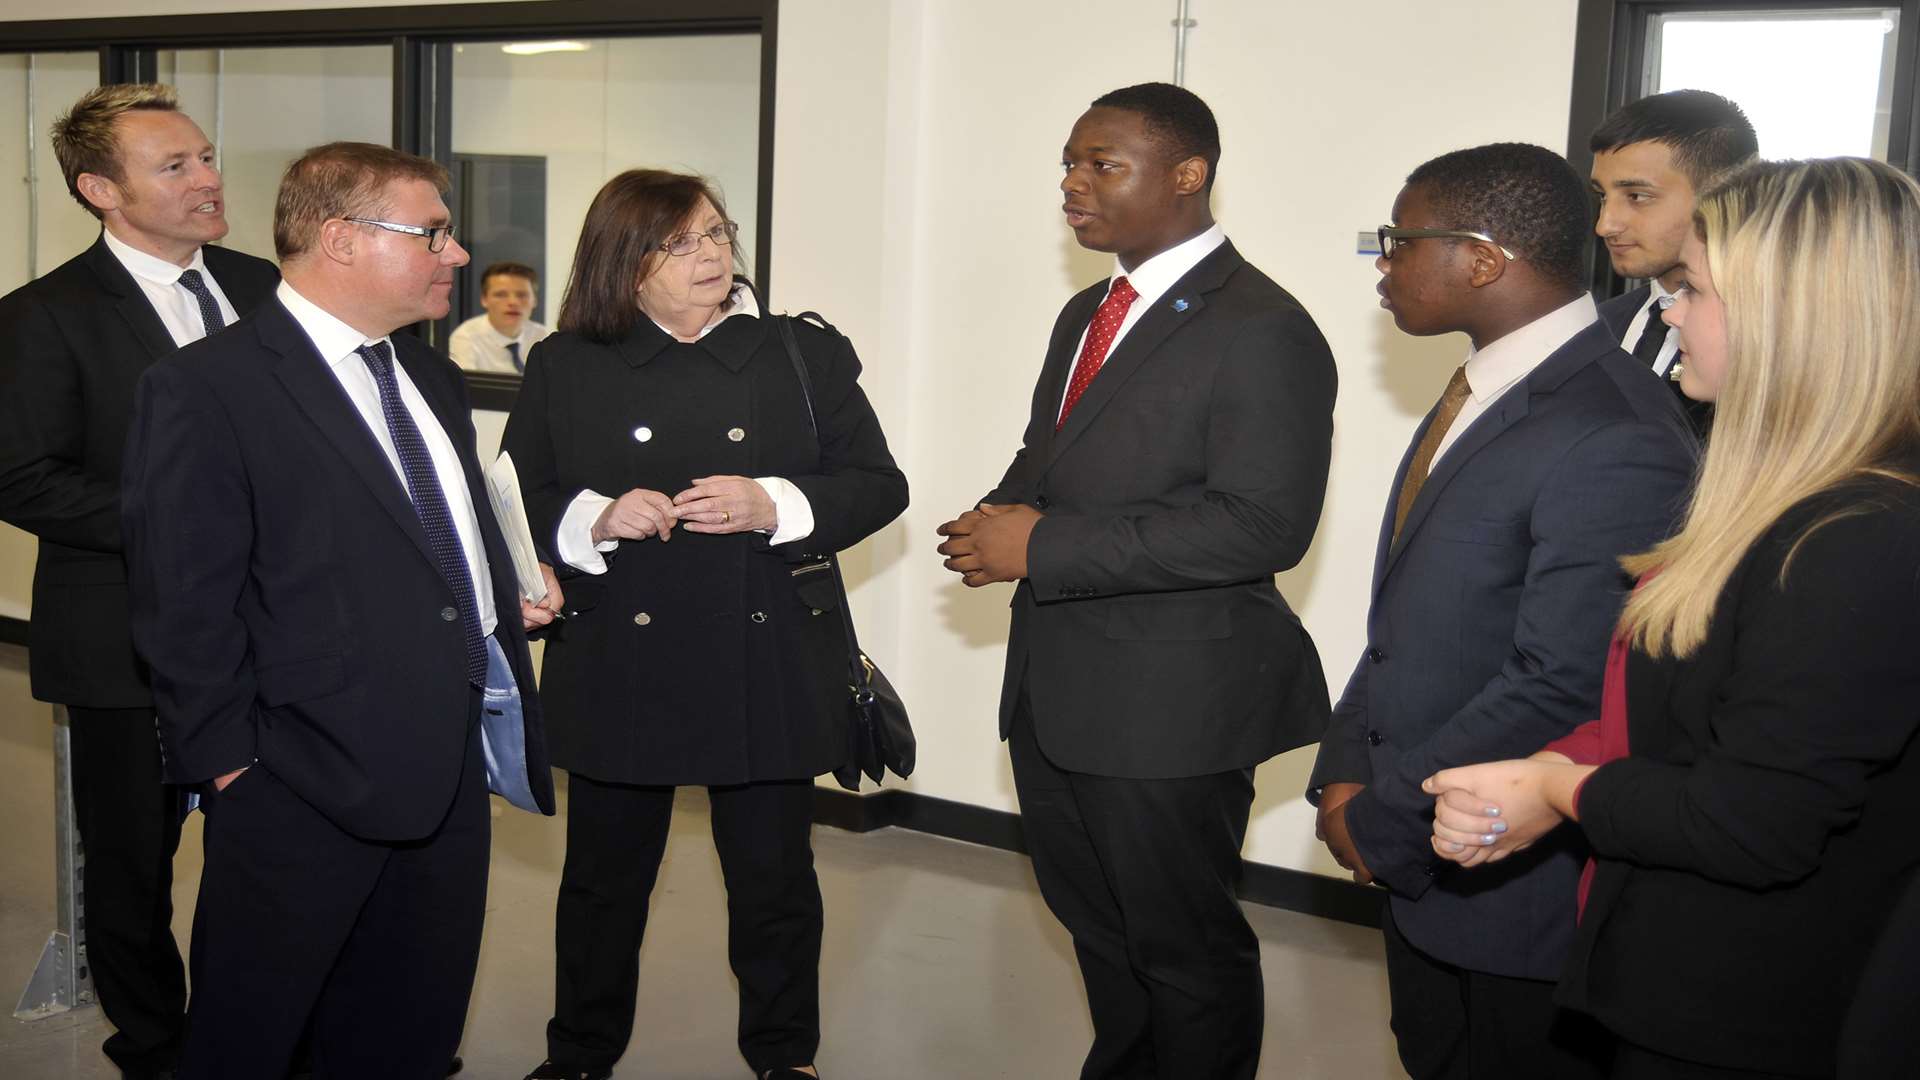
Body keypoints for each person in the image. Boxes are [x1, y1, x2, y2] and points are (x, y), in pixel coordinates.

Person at [1425, 156, 1920, 1080]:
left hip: (1755, 1010)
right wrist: (1555, 764)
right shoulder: (1781, 505)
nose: (1668, 312)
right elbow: (1689, 722)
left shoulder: (1863, 539)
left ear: (1796, 317)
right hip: (1677, 980)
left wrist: (1560, 795)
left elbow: (1753, 820)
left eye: (1693, 288)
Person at [120, 141, 560, 1079]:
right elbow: (183, 603)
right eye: (433, 232)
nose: (458, 254)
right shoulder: (208, 389)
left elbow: (427, 533)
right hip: (296, 776)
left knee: (410, 1027)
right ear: (341, 239)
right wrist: (230, 767)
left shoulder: (429, 377)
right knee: (257, 1032)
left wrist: (498, 590)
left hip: (445, 767)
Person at [935, 83, 1336, 1080]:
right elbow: (1052, 461)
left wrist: (1046, 548)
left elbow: (1262, 525)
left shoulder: (1262, 326)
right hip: (1059, 693)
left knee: (1183, 953)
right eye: (1068, 164)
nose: (1073, 185)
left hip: (1171, 708)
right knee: (1103, 940)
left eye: (1101, 164)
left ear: (1187, 175)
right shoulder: (1089, 312)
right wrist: (998, 517)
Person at [502, 169, 906, 1080]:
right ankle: (579, 1055)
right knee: (604, 883)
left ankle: (784, 1057)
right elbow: (516, 493)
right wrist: (592, 520)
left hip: (765, 650)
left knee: (774, 882)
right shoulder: (568, 362)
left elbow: (881, 485)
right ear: (623, 262)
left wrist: (775, 501)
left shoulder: (799, 355)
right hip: (619, 652)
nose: (712, 254)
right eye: (680, 241)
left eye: (718, 233)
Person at [1306, 143, 1696, 1080]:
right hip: (1415, 852)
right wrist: (1343, 774)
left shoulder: (1615, 429)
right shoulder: (1484, 389)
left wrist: (1388, 821)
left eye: (1400, 241)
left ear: (1481, 259)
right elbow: (1404, 622)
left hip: (1510, 889)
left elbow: (1560, 678)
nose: (1383, 265)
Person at [0, 83, 278, 1080]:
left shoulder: (266, 288)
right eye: (175, 166)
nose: (208, 180)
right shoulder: (44, 318)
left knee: (274, 855)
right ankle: (157, 1047)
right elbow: (24, 478)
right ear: (98, 189)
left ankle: (261, 1033)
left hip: (279, 637)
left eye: (205, 157)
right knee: (132, 868)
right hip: (123, 640)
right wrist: (190, 519)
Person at [1590, 89, 1757, 436]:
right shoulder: (1596, 325)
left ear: (1719, 195)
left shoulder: (1771, 342)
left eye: (1637, 196)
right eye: (1602, 196)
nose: (1605, 224)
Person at [448, 260, 552, 373]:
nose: (513, 302)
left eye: (522, 295)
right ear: (484, 299)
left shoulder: (543, 337)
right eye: (501, 295)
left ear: (535, 300)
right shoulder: (466, 337)